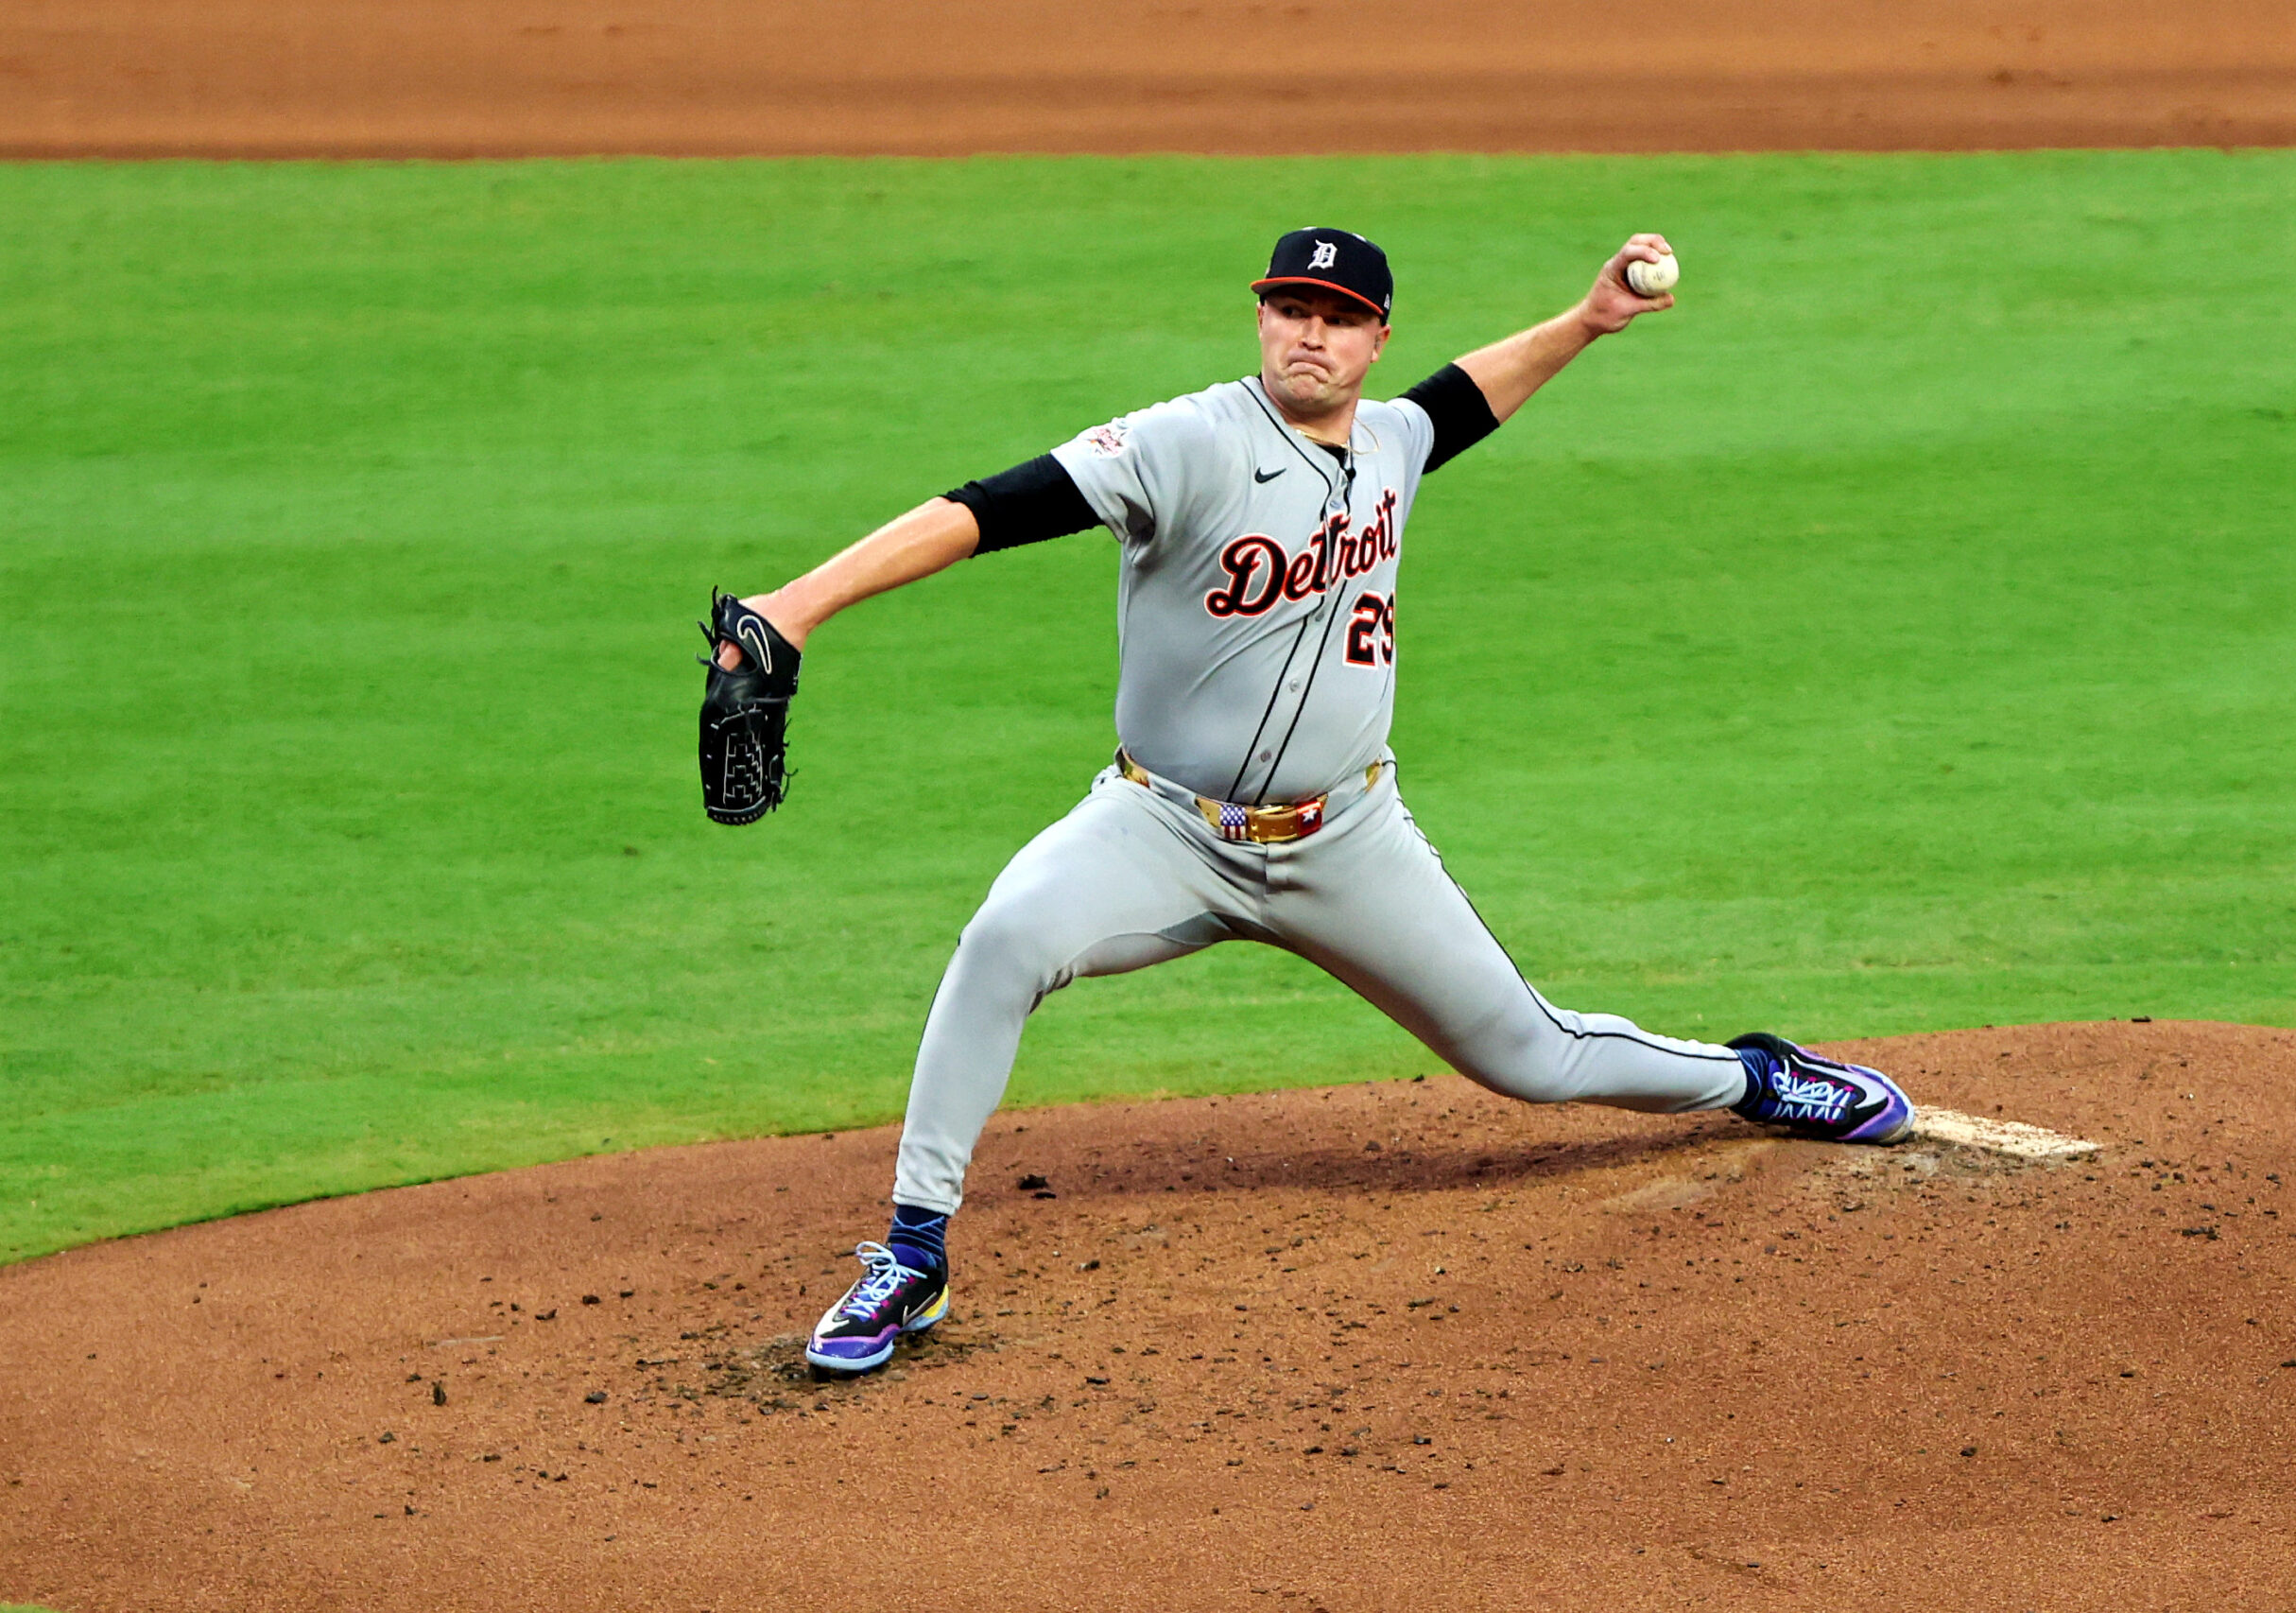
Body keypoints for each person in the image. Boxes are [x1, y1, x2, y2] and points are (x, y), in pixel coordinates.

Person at [706, 227, 1916, 1376]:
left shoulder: (1390, 437)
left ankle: (1755, 1077)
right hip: (1161, 828)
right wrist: (798, 604)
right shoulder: (1181, 441)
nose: (1311, 335)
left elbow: (1461, 402)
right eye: (1292, 308)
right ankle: (913, 1252)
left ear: (1372, 337)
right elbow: (986, 508)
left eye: (1339, 319)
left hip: (1349, 840)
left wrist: (1590, 321)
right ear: (1260, 314)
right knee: (1004, 938)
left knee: (1531, 1056)